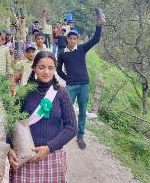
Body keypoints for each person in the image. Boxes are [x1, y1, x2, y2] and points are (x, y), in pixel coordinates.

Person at [9, 51, 77, 183]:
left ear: (55, 69)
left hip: (52, 157)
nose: (46, 72)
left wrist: (49, 148)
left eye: (50, 68)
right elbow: (12, 124)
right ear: (34, 68)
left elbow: (72, 127)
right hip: (25, 157)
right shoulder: (24, 92)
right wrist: (9, 149)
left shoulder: (61, 93)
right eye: (41, 67)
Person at [57, 13, 104, 150]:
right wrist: (67, 78)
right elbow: (59, 69)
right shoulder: (63, 53)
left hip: (84, 84)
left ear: (77, 39)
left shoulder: (82, 49)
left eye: (75, 38)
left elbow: (95, 39)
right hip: (71, 86)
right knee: (66, 109)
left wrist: (99, 24)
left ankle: (80, 136)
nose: (72, 40)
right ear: (67, 39)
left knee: (83, 111)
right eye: (70, 38)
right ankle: (61, 135)